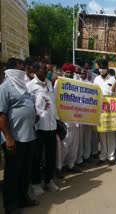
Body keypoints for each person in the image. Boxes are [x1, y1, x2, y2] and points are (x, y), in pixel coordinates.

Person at [0, 58, 39, 214]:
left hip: (29, 136)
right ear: (11, 70)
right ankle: (11, 206)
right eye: (20, 68)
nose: (23, 70)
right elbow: (1, 116)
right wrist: (9, 138)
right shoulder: (4, 88)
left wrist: (34, 116)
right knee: (12, 173)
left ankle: (23, 199)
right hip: (14, 139)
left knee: (25, 171)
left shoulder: (24, 87)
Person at [27, 61, 59, 196]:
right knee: (37, 157)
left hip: (52, 126)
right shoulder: (29, 86)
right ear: (35, 71)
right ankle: (35, 183)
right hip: (39, 128)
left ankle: (49, 180)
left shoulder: (49, 83)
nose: (46, 70)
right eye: (43, 69)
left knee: (51, 156)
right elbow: (29, 105)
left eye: (46, 69)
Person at [57, 63, 82, 173]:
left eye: (71, 72)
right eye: (67, 72)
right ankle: (60, 166)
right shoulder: (59, 83)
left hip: (76, 119)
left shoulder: (77, 84)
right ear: (63, 72)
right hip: (65, 120)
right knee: (64, 145)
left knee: (74, 144)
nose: (69, 74)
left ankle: (71, 164)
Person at [93, 59, 116, 165]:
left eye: (104, 67)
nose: (102, 69)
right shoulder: (96, 79)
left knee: (111, 133)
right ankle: (102, 156)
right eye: (100, 67)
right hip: (100, 110)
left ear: (107, 68)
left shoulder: (112, 79)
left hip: (110, 110)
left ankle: (111, 156)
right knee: (102, 133)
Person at [76, 68, 95, 166]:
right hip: (79, 115)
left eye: (84, 73)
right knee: (80, 139)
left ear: (87, 74)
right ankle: (80, 158)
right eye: (81, 73)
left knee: (88, 138)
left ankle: (87, 156)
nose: (82, 74)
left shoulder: (90, 84)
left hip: (88, 114)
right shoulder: (75, 84)